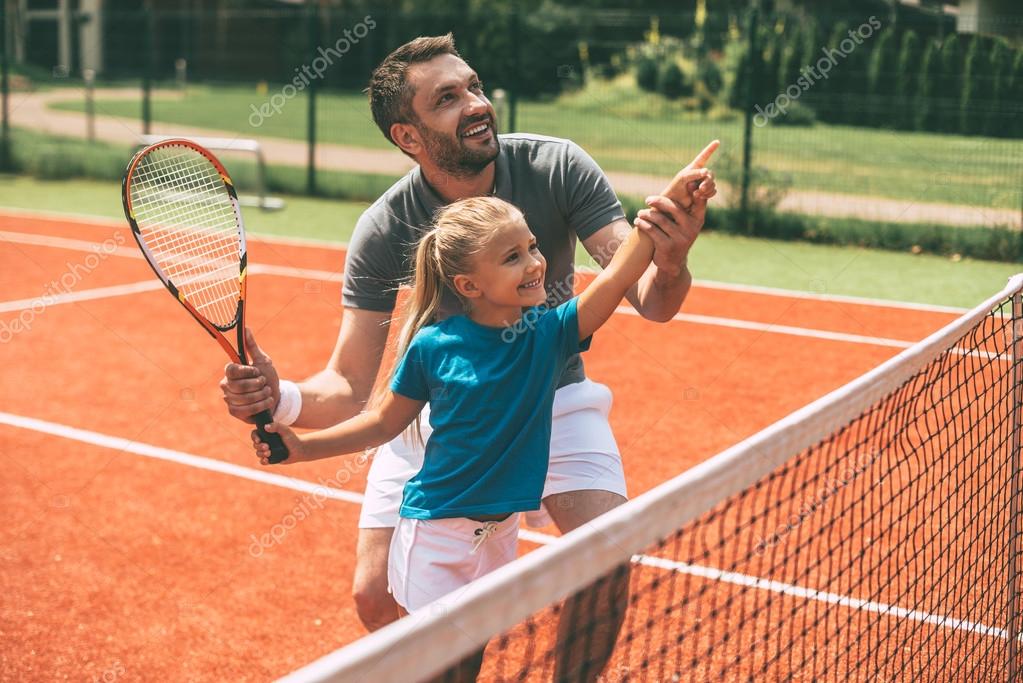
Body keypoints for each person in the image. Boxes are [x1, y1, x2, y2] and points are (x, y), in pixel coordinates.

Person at [221, 33, 716, 678]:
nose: (476, 104)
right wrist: (279, 398)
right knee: (376, 599)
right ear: (409, 135)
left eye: (474, 87)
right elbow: (349, 385)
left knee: (606, 551)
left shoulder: (556, 166)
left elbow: (649, 296)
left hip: (552, 392)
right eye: (448, 98)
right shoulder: (384, 227)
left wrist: (671, 257)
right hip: (439, 409)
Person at [254, 194, 682, 678]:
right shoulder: (433, 347)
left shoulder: (549, 333)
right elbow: (382, 423)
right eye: (512, 256)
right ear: (468, 284)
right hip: (436, 540)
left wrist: (655, 221)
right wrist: (303, 447)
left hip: (497, 536)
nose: (535, 263)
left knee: (468, 661)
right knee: (441, 670)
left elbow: (616, 276)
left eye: (533, 246)